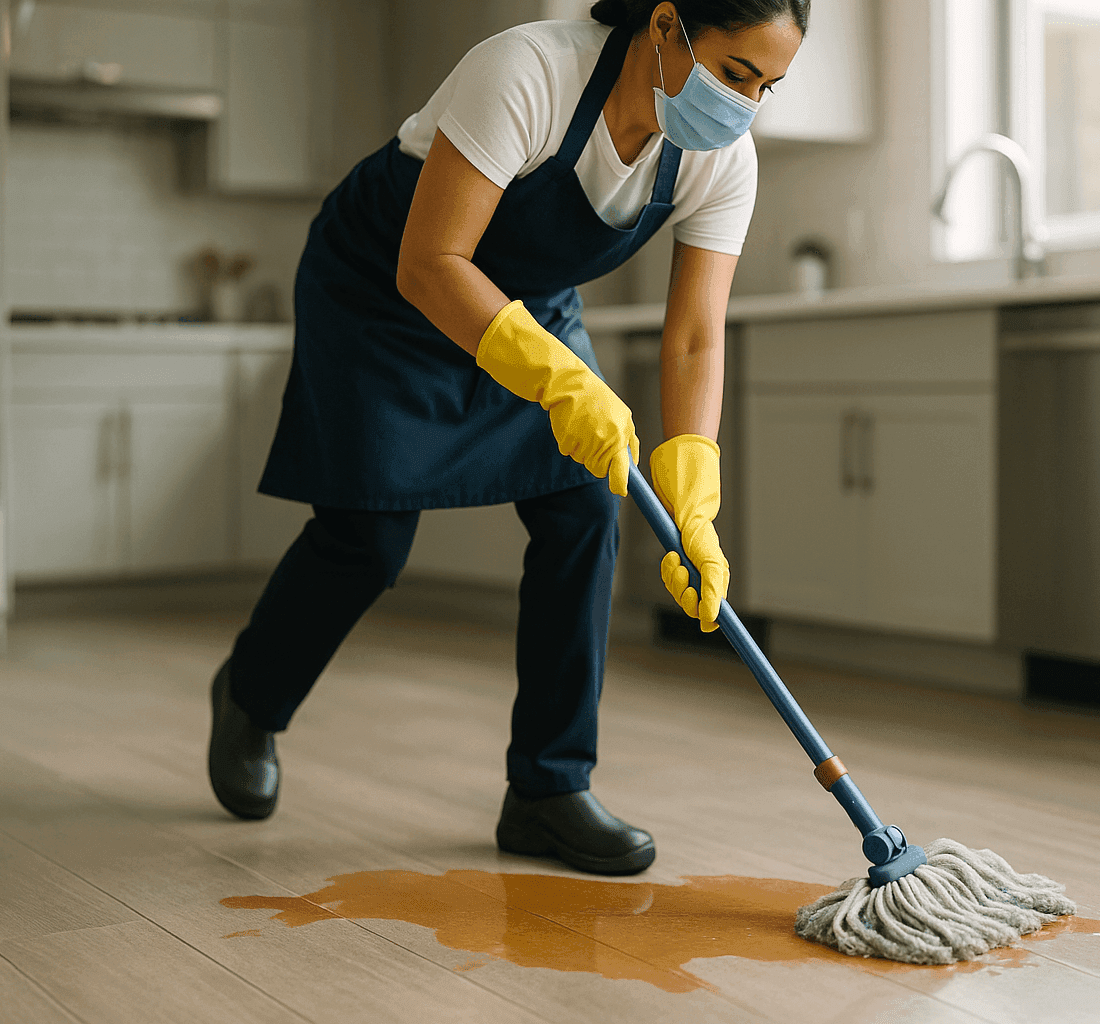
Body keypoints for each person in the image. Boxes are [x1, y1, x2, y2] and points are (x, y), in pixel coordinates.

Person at [207, 0, 807, 875]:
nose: (744, 105)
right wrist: (563, 380)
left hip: (527, 303)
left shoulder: (722, 158)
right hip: (385, 289)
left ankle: (548, 789)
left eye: (768, 87)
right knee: (366, 537)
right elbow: (431, 263)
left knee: (583, 509)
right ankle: (251, 696)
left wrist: (693, 480)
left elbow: (694, 336)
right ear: (668, 24)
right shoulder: (530, 71)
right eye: (735, 74)